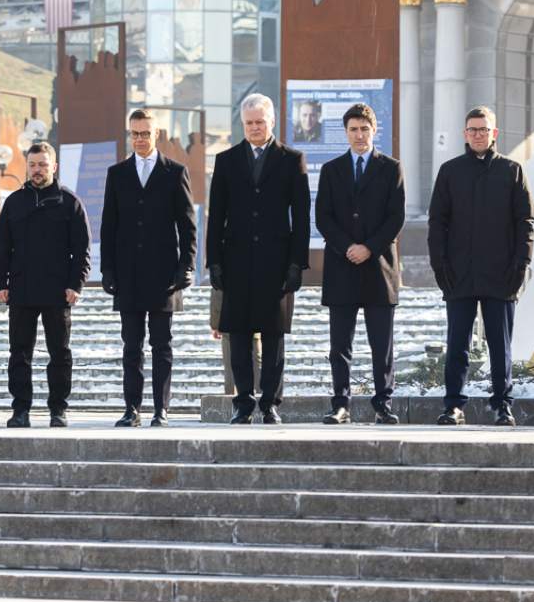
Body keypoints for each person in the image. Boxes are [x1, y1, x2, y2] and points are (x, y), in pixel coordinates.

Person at [206, 93, 311, 424]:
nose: (254, 127)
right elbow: (216, 215)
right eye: (249, 122)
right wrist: (215, 262)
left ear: (272, 122)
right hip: (236, 260)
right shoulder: (226, 160)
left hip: (276, 261)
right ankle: (243, 401)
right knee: (237, 333)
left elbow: (302, 217)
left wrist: (297, 263)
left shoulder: (292, 160)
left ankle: (270, 402)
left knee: (273, 334)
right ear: (242, 123)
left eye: (260, 122)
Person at [427, 106, 532, 426]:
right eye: (472, 129)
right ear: (464, 134)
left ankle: (502, 405)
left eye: (483, 129)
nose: (477, 135)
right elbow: (437, 223)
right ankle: (454, 406)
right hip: (459, 274)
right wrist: (440, 266)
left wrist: (520, 264)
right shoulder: (450, 171)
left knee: (500, 346)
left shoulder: (512, 170)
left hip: (501, 274)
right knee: (457, 344)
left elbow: (524, 222)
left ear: (494, 133)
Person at [100, 109, 195, 426]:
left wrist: (186, 267)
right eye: (134, 133)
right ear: (130, 135)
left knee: (162, 344)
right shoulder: (117, 174)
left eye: (145, 133)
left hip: (163, 274)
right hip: (128, 274)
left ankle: (161, 409)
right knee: (131, 345)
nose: (139, 139)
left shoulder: (174, 172)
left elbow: (188, 226)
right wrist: (108, 271)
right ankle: (132, 409)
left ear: (157, 135)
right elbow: (108, 226)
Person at [314, 103, 405, 425]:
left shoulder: (391, 168)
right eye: (353, 129)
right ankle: (341, 404)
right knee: (340, 344)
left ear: (374, 130)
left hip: (378, 267)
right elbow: (322, 216)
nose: (359, 134)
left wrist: (368, 247)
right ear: (346, 132)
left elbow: (396, 216)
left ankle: (383, 403)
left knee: (381, 344)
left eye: (364, 129)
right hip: (342, 267)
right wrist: (348, 247)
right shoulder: (332, 170)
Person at [0, 142, 91, 427]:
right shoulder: (14, 202)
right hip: (21, 290)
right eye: (33, 165)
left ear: (54, 167)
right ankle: (20, 410)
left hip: (57, 291)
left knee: (59, 353)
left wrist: (76, 285)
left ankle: (58, 409)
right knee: (19, 353)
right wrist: (1, 283)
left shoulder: (70, 203)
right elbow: (1, 247)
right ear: (27, 166)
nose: (37, 170)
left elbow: (81, 250)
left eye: (43, 165)